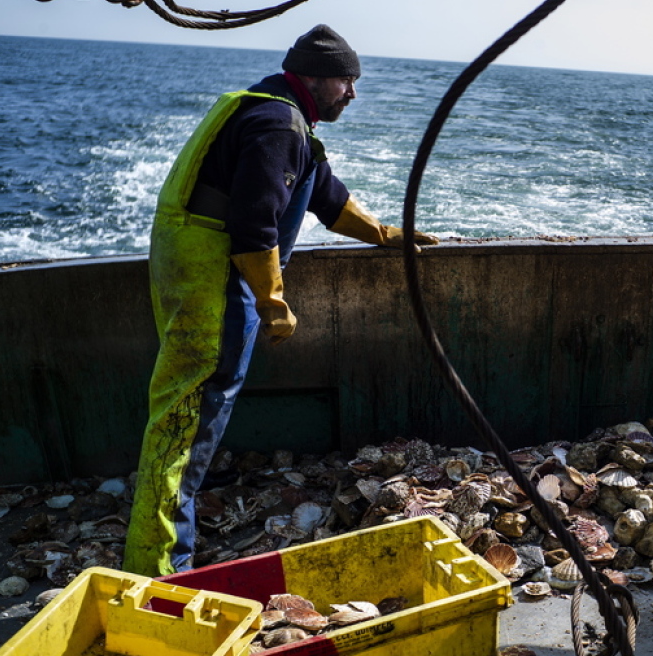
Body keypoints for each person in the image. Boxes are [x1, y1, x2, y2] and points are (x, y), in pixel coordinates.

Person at [124, 25, 439, 577]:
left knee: (191, 412)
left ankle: (172, 535)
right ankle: (160, 568)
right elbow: (253, 226)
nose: (353, 94)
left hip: (197, 270)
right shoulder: (276, 124)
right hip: (215, 283)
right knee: (187, 420)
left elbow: (326, 196)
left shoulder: (273, 109)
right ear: (316, 78)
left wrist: (387, 233)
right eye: (347, 81)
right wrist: (273, 302)